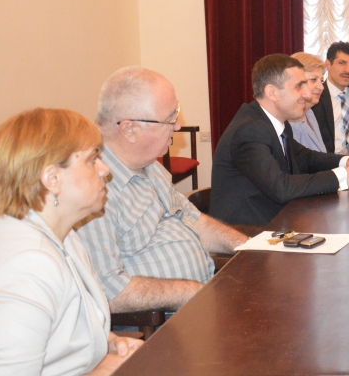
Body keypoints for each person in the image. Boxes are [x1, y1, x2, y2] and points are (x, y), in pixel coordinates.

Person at [77, 67, 249, 313]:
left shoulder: (150, 165)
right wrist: (193, 293)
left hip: (202, 301)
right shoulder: (93, 190)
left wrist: (248, 247)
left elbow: (193, 219)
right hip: (164, 325)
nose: (178, 126)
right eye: (169, 119)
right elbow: (108, 290)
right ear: (129, 129)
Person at [0, 109, 142, 375]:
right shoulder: (27, 263)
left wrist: (108, 343)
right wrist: (99, 372)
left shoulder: (66, 236)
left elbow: (59, 330)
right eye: (92, 159)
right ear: (52, 178)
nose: (105, 169)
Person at [210, 54, 349, 226]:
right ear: (272, 92)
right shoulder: (249, 130)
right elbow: (281, 187)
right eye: (299, 86)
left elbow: (305, 157)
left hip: (276, 221)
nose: (307, 94)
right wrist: (345, 176)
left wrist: (348, 161)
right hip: (247, 232)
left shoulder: (276, 122)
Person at [312, 42, 349, 154]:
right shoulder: (317, 94)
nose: (347, 70)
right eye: (342, 63)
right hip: (326, 159)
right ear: (328, 65)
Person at [289, 52, 328, 152]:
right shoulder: (290, 120)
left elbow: (320, 154)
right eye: (313, 79)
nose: (321, 87)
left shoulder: (309, 112)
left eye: (321, 80)